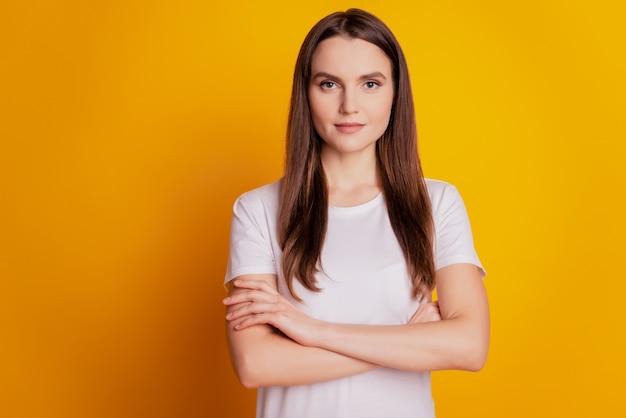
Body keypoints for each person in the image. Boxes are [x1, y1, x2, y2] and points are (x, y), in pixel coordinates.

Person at [223, 8, 489, 418]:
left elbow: (470, 346)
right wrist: (406, 341)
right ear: (305, 93)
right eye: (329, 84)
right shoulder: (258, 209)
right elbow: (256, 364)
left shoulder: (436, 203)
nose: (350, 105)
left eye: (370, 83)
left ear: (395, 93)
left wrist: (313, 333)